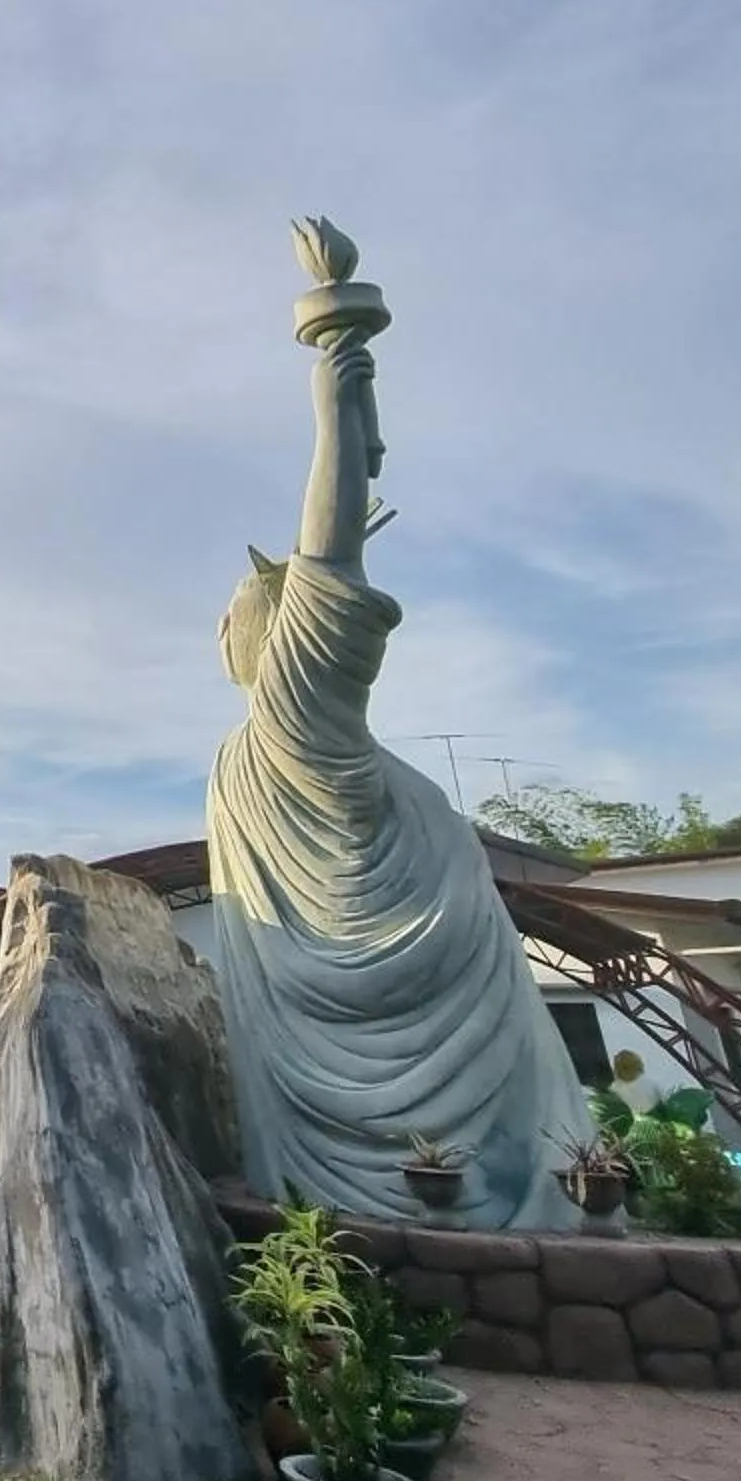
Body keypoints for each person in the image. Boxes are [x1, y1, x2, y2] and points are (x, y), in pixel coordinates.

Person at [206, 316, 587, 1231]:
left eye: (229, 614)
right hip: (368, 981)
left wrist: (335, 357)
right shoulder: (266, 741)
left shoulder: (293, 708)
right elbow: (331, 553)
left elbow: (328, 546)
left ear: (281, 625)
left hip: (372, 975)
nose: (220, 632)